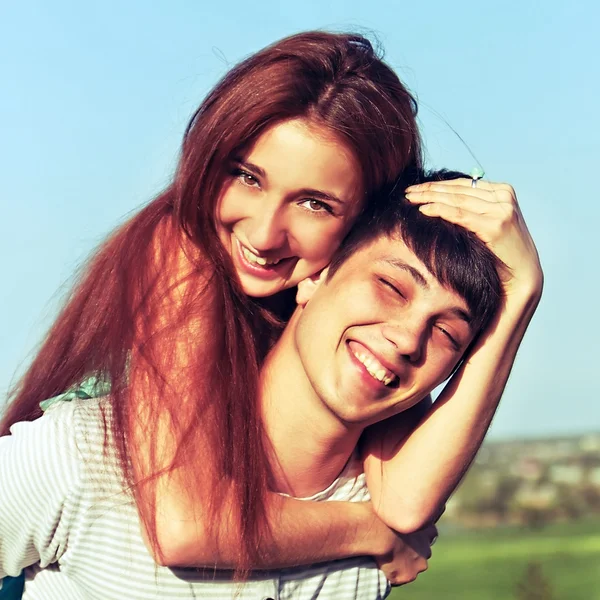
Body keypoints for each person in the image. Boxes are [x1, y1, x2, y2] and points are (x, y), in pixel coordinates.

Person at [0, 168, 538, 599]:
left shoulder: (377, 542)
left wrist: (522, 295)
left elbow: (408, 504)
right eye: (390, 286)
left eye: (446, 331)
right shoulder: (89, 453)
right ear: (314, 277)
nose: (405, 338)